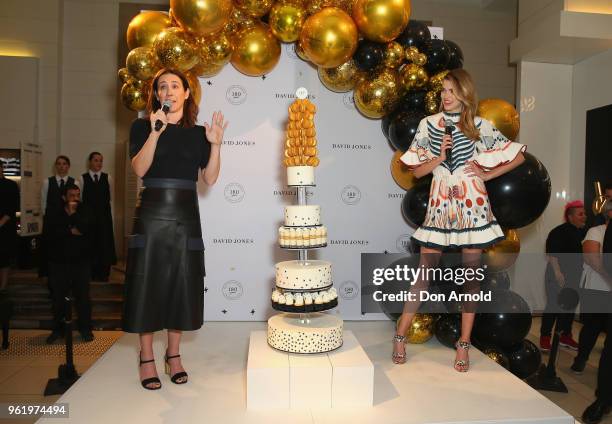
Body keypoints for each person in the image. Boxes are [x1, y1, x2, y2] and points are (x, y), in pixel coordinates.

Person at [394, 68, 526, 371]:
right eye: (443, 90)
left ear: (465, 94)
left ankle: (464, 344)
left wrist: (488, 173)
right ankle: (400, 336)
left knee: (470, 278)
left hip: (472, 203)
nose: (446, 96)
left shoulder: (481, 126)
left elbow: (517, 156)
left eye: (452, 90)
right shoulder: (428, 125)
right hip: (440, 205)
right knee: (423, 275)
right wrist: (438, 157)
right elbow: (416, 172)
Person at [123, 68, 227, 390]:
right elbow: (140, 169)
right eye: (162, 86)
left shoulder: (199, 134)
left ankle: (173, 355)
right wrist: (156, 132)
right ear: (156, 95)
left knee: (183, 282)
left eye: (174, 86)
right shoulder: (142, 126)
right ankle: (145, 357)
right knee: (147, 283)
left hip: (186, 215)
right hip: (152, 213)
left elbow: (209, 179)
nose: (168, 91)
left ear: (186, 93)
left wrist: (216, 146)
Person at [45, 183, 94, 344]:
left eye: (77, 195)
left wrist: (73, 215)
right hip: (59, 262)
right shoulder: (54, 212)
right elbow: (51, 234)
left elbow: (86, 229)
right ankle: (58, 330)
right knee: (58, 298)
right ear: (64, 197)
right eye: (72, 195)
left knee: (83, 298)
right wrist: (71, 231)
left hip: (81, 262)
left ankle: (85, 329)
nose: (75, 199)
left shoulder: (84, 210)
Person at [539, 200, 587, 352]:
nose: (584, 216)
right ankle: (545, 338)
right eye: (580, 214)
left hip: (575, 275)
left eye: (584, 213)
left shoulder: (583, 232)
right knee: (553, 306)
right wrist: (558, 273)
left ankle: (565, 336)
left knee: (570, 306)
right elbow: (553, 254)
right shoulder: (558, 231)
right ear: (570, 216)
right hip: (556, 274)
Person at [572, 201, 612, 372]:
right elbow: (591, 258)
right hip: (596, 288)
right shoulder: (596, 231)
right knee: (592, 327)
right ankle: (581, 359)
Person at [581, 203, 612, 424]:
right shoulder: (599, 231)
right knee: (595, 332)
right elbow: (597, 259)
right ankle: (603, 399)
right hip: (599, 289)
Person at [39, 156, 80, 278]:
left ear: (68, 166)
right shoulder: (47, 182)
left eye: (64, 164)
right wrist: (48, 218)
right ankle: (47, 273)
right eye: (59, 164)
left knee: (66, 247)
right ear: (56, 166)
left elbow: (78, 201)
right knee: (49, 247)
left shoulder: (75, 182)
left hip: (68, 219)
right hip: (51, 220)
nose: (61, 166)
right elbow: (43, 202)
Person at [79, 152, 116, 282]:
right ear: (90, 162)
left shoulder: (108, 178)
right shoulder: (82, 179)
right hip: (89, 220)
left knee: (104, 245)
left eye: (100, 161)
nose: (98, 163)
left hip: (104, 219)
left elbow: (110, 199)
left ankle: (104, 273)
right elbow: (81, 200)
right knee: (90, 245)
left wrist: (110, 218)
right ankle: (90, 273)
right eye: (96, 160)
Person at [0, 165, 20, 293]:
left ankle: (2, 287)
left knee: (3, 257)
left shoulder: (11, 185)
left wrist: (2, 221)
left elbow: (14, 205)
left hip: (6, 227)